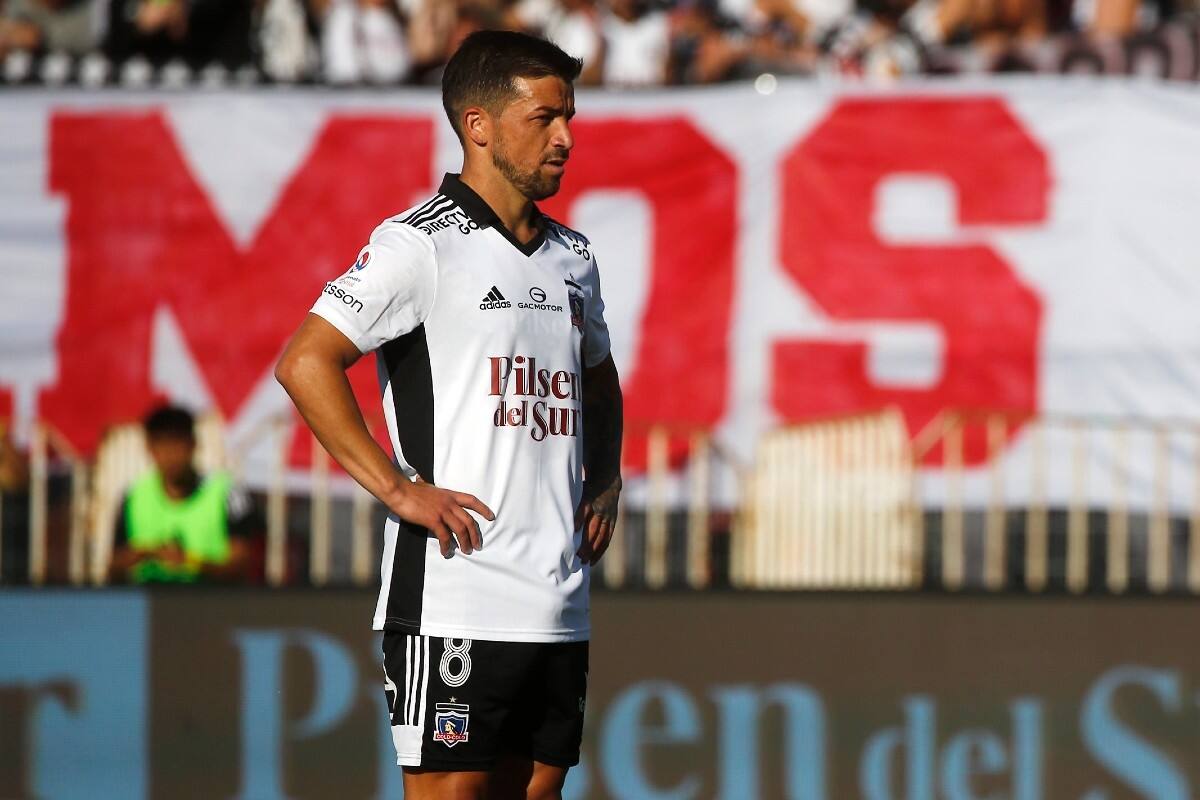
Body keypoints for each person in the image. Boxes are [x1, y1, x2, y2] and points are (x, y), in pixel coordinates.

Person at [275, 29, 623, 799]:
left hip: (557, 598)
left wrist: (606, 475)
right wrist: (398, 489)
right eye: (544, 118)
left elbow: (598, 376)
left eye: (569, 117)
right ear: (479, 125)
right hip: (456, 591)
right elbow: (305, 362)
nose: (565, 139)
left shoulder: (574, 256)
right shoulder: (418, 245)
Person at [109, 405, 257, 584]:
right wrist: (139, 556)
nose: (171, 456)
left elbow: (241, 563)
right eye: (162, 446)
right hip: (149, 598)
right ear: (150, 448)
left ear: (193, 444)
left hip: (212, 598)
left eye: (177, 445)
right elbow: (113, 566)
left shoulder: (226, 492)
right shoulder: (133, 497)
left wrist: (191, 563)